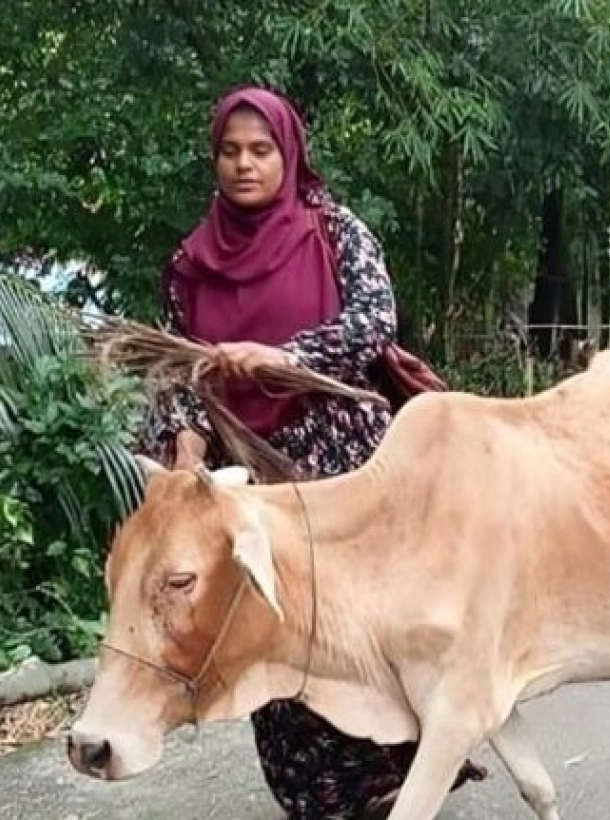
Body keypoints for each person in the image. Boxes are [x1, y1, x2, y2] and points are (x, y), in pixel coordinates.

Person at [139, 84, 486, 819]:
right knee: (275, 631)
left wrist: (281, 355)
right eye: (230, 152)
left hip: (342, 465)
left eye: (260, 150)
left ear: (288, 153)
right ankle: (323, 799)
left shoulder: (332, 231)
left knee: (365, 623)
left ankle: (404, 770)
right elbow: (172, 367)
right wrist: (185, 434)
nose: (244, 164)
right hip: (247, 474)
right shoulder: (189, 263)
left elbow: (374, 320)